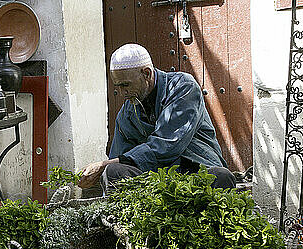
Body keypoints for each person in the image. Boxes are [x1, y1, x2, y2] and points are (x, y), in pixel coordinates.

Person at [78, 43, 235, 193]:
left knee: (221, 176)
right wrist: (102, 171)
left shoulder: (183, 86)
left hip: (196, 169)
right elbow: (120, 158)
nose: (121, 93)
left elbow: (167, 146)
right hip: (155, 180)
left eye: (125, 85)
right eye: (117, 86)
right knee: (114, 171)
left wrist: (104, 164)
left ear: (146, 73)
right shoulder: (126, 112)